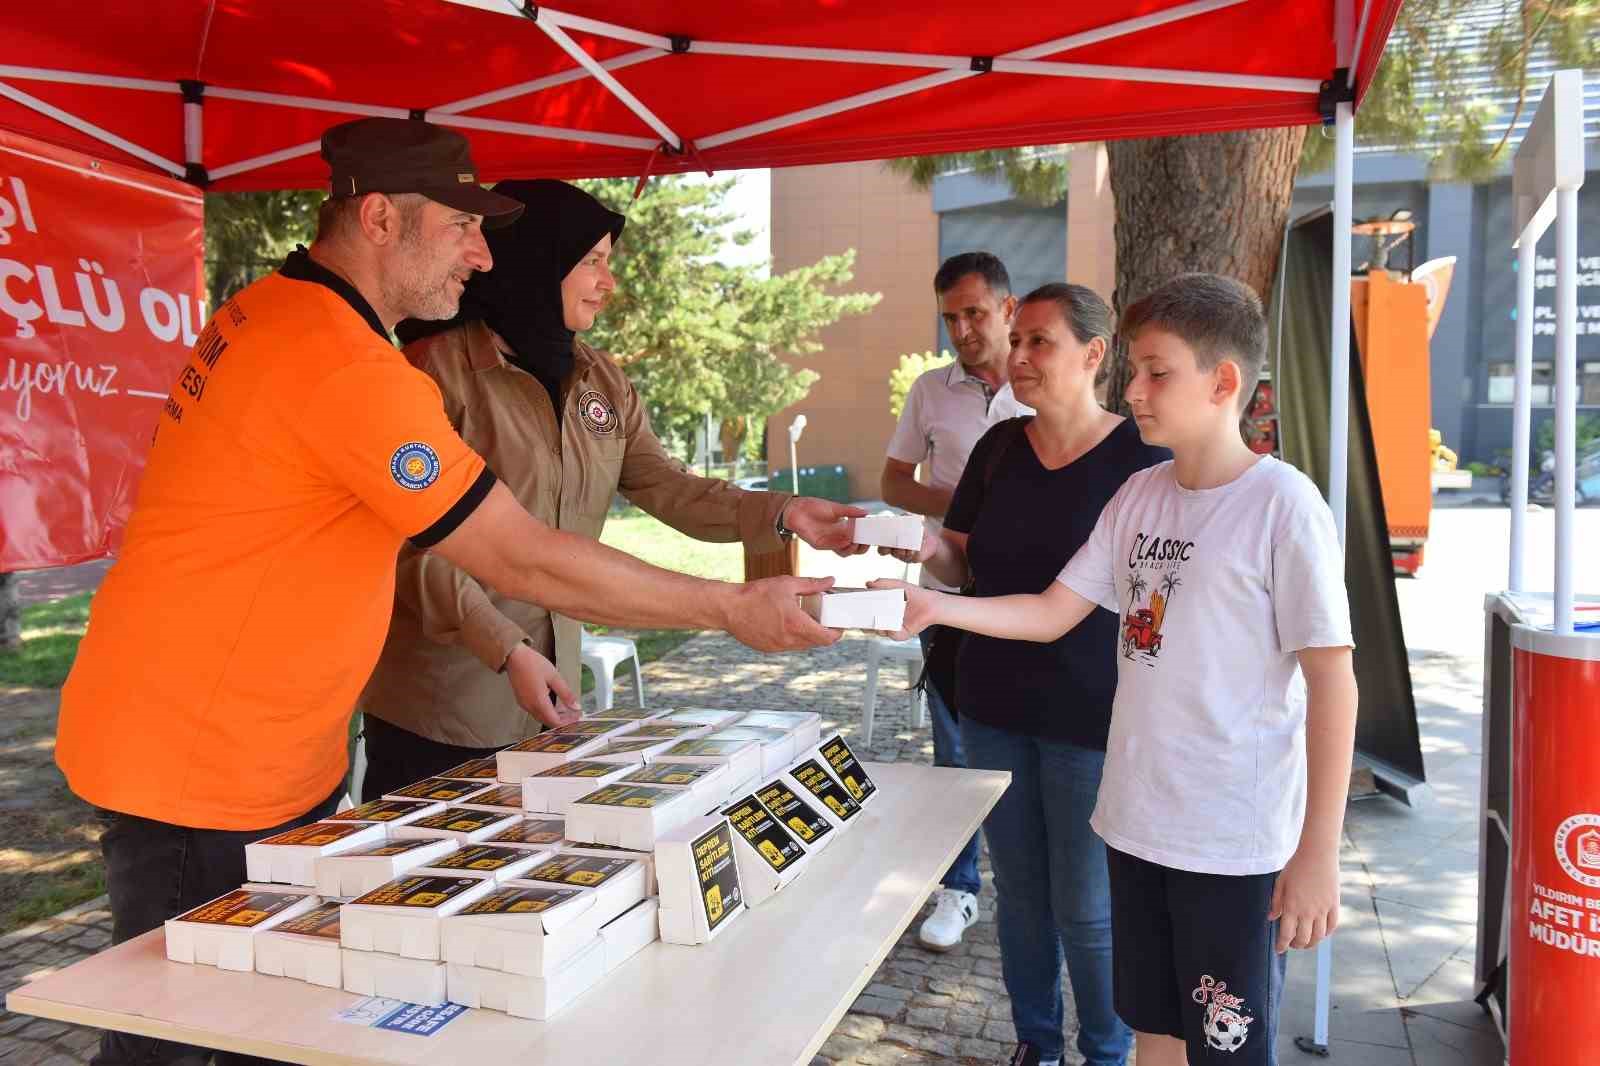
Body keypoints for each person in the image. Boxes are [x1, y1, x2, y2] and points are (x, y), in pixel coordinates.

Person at [55, 118, 838, 1066]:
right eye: (460, 223)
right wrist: (728, 607)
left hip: (241, 751)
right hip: (202, 773)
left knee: (263, 1029)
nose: (481, 250)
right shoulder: (345, 365)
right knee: (184, 1048)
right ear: (379, 217)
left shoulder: (279, 315)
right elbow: (518, 558)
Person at [877, 273, 1358, 1066]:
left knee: (1227, 1047)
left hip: (1232, 845)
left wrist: (1319, 852)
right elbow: (1051, 609)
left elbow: (1333, 684)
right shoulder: (1138, 495)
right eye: (1132, 369)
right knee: (1155, 1036)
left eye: (1155, 372)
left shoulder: (1284, 507)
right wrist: (936, 608)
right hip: (1136, 827)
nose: (1132, 389)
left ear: (1224, 382)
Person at [358, 179, 863, 797]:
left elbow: (667, 486)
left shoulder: (599, 377)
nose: (608, 282)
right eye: (592, 262)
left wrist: (783, 512)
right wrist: (506, 648)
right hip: (441, 708)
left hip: (551, 703)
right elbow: (411, 548)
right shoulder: (430, 374)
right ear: (538, 258)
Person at [885, 283, 1163, 1066]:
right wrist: (917, 544)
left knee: (1087, 909)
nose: (1019, 356)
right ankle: (1035, 1046)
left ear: (1094, 353)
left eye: (1039, 341)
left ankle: (1106, 1055)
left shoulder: (1145, 461)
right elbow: (962, 557)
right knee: (1021, 902)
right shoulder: (999, 449)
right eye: (1020, 342)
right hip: (993, 704)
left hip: (1094, 718)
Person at [881, 251, 1029, 950]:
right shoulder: (929, 391)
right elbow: (892, 482)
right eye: (950, 317)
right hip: (946, 593)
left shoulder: (1046, 381)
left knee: (1040, 748)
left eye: (974, 312)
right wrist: (967, 506)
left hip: (1035, 600)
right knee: (957, 752)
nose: (963, 329)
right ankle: (960, 889)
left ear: (1008, 307)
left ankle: (1038, 887)